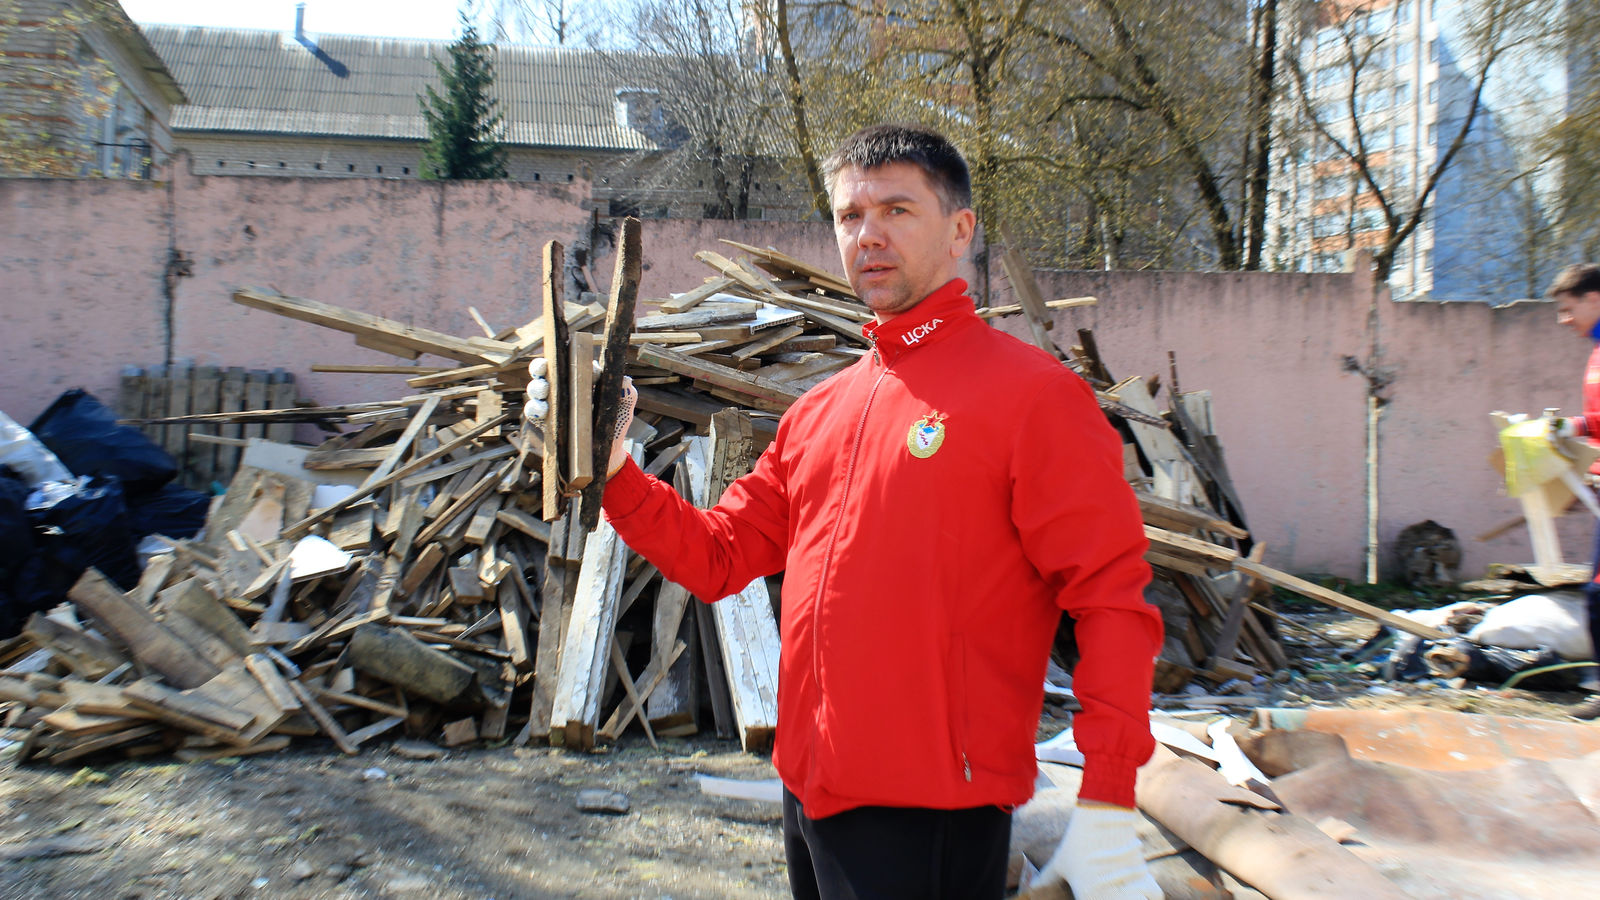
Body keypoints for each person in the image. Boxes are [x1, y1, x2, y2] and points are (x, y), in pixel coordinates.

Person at [534, 124, 1164, 899]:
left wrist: (1106, 794)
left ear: (960, 229)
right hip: (813, 794)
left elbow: (1111, 602)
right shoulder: (822, 411)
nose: (868, 235)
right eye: (849, 215)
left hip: (932, 813)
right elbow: (718, 555)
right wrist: (615, 466)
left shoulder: (1034, 398)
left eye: (897, 210)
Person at [1546, 263, 1600, 720]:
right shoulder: (1596, 352)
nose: (1563, 320)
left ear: (1595, 297)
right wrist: (1574, 426)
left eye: (1569, 309)